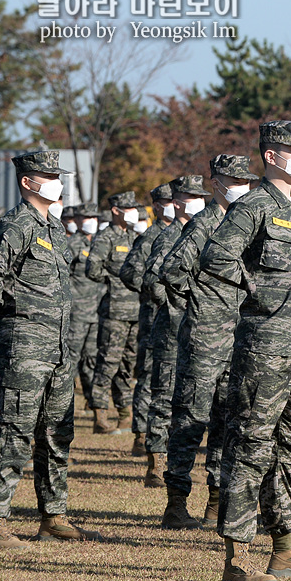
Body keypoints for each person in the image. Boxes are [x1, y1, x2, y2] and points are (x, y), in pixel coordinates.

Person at [200, 120, 291, 581]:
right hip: (264, 348)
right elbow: (217, 256)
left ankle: (285, 550)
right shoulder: (254, 205)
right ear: (271, 156)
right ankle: (237, 559)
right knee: (250, 447)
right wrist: (256, 292)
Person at [0, 150, 100, 548]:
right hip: (26, 347)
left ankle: (53, 516)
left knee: (57, 432)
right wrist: (13, 320)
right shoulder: (14, 225)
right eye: (49, 175)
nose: (57, 182)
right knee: (16, 430)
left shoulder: (54, 228)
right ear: (28, 181)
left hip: (58, 348)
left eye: (57, 175)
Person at [159, 154, 257, 530]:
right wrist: (200, 302)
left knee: (227, 421)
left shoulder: (245, 225)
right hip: (205, 337)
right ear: (216, 182)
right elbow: (172, 270)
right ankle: (176, 503)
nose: (242, 187)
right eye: (234, 180)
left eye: (246, 181)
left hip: (240, 336)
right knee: (191, 419)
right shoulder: (205, 224)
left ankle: (217, 501)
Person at [141, 176, 211, 489]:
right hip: (171, 328)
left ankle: (180, 461)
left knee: (191, 400)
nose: (197, 200)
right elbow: (153, 280)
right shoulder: (170, 235)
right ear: (177, 201)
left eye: (200, 195)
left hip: (199, 328)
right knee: (164, 395)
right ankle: (156, 463)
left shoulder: (206, 231)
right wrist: (177, 305)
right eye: (190, 196)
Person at [120, 184, 174, 450]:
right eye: (165, 201)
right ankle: (141, 434)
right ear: (156, 206)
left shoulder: (187, 232)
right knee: (150, 372)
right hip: (154, 314)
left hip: (181, 316)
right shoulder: (152, 235)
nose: (171, 205)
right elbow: (129, 272)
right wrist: (154, 290)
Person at [86, 191, 142, 435]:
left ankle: (124, 415)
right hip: (114, 311)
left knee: (128, 364)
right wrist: (114, 280)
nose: (134, 212)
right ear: (117, 211)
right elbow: (92, 268)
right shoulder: (105, 237)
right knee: (108, 362)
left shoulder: (134, 237)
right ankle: (100, 416)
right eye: (128, 208)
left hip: (136, 311)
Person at [64, 202, 103, 419]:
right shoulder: (71, 244)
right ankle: (63, 402)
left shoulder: (99, 242)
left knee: (92, 359)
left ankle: (93, 403)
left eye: (94, 217)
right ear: (77, 221)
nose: (91, 221)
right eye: (86, 218)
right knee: (72, 358)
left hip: (97, 312)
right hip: (77, 311)